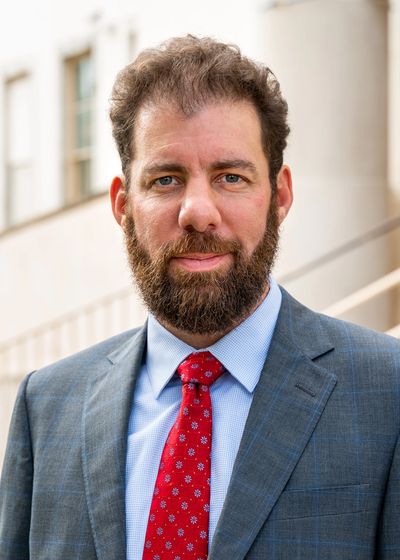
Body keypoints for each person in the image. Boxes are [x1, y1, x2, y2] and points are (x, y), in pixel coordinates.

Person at [0, 35, 399, 560]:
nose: (198, 212)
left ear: (279, 196)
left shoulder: (388, 393)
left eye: (231, 177)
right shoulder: (47, 407)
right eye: (165, 180)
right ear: (123, 205)